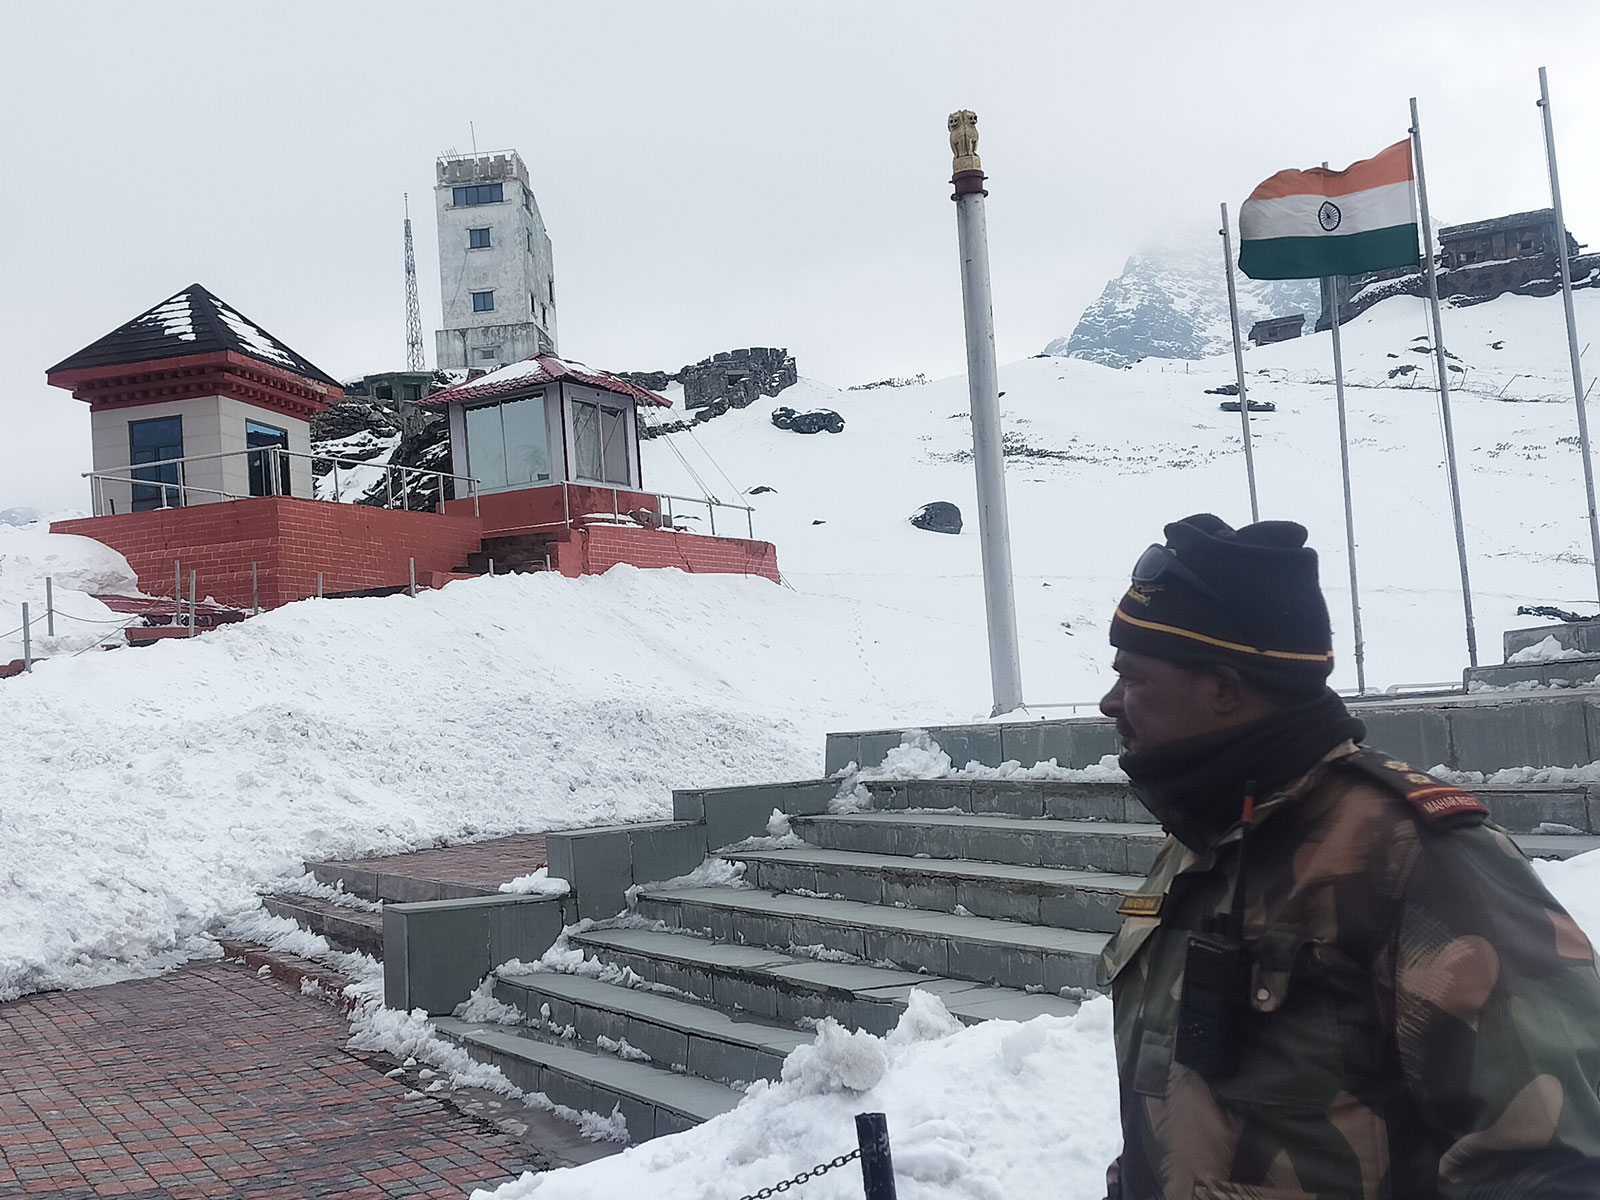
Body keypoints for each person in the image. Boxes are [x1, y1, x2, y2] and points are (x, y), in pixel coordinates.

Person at [1097, 513, 1600, 1200]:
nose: (1111, 703)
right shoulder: (1201, 843)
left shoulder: (1414, 855)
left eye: (1133, 678)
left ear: (1222, 688)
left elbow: (1557, 1160)